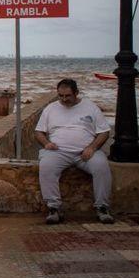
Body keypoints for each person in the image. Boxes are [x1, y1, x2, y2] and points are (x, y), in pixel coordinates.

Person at [35, 78, 114, 225]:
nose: (64, 99)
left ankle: (102, 208)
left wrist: (92, 147)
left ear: (76, 93)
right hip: (58, 151)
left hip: (86, 152)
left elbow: (104, 132)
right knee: (46, 167)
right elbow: (39, 132)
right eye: (61, 96)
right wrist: (46, 143)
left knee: (101, 167)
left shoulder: (91, 107)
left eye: (68, 96)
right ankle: (54, 208)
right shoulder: (50, 108)